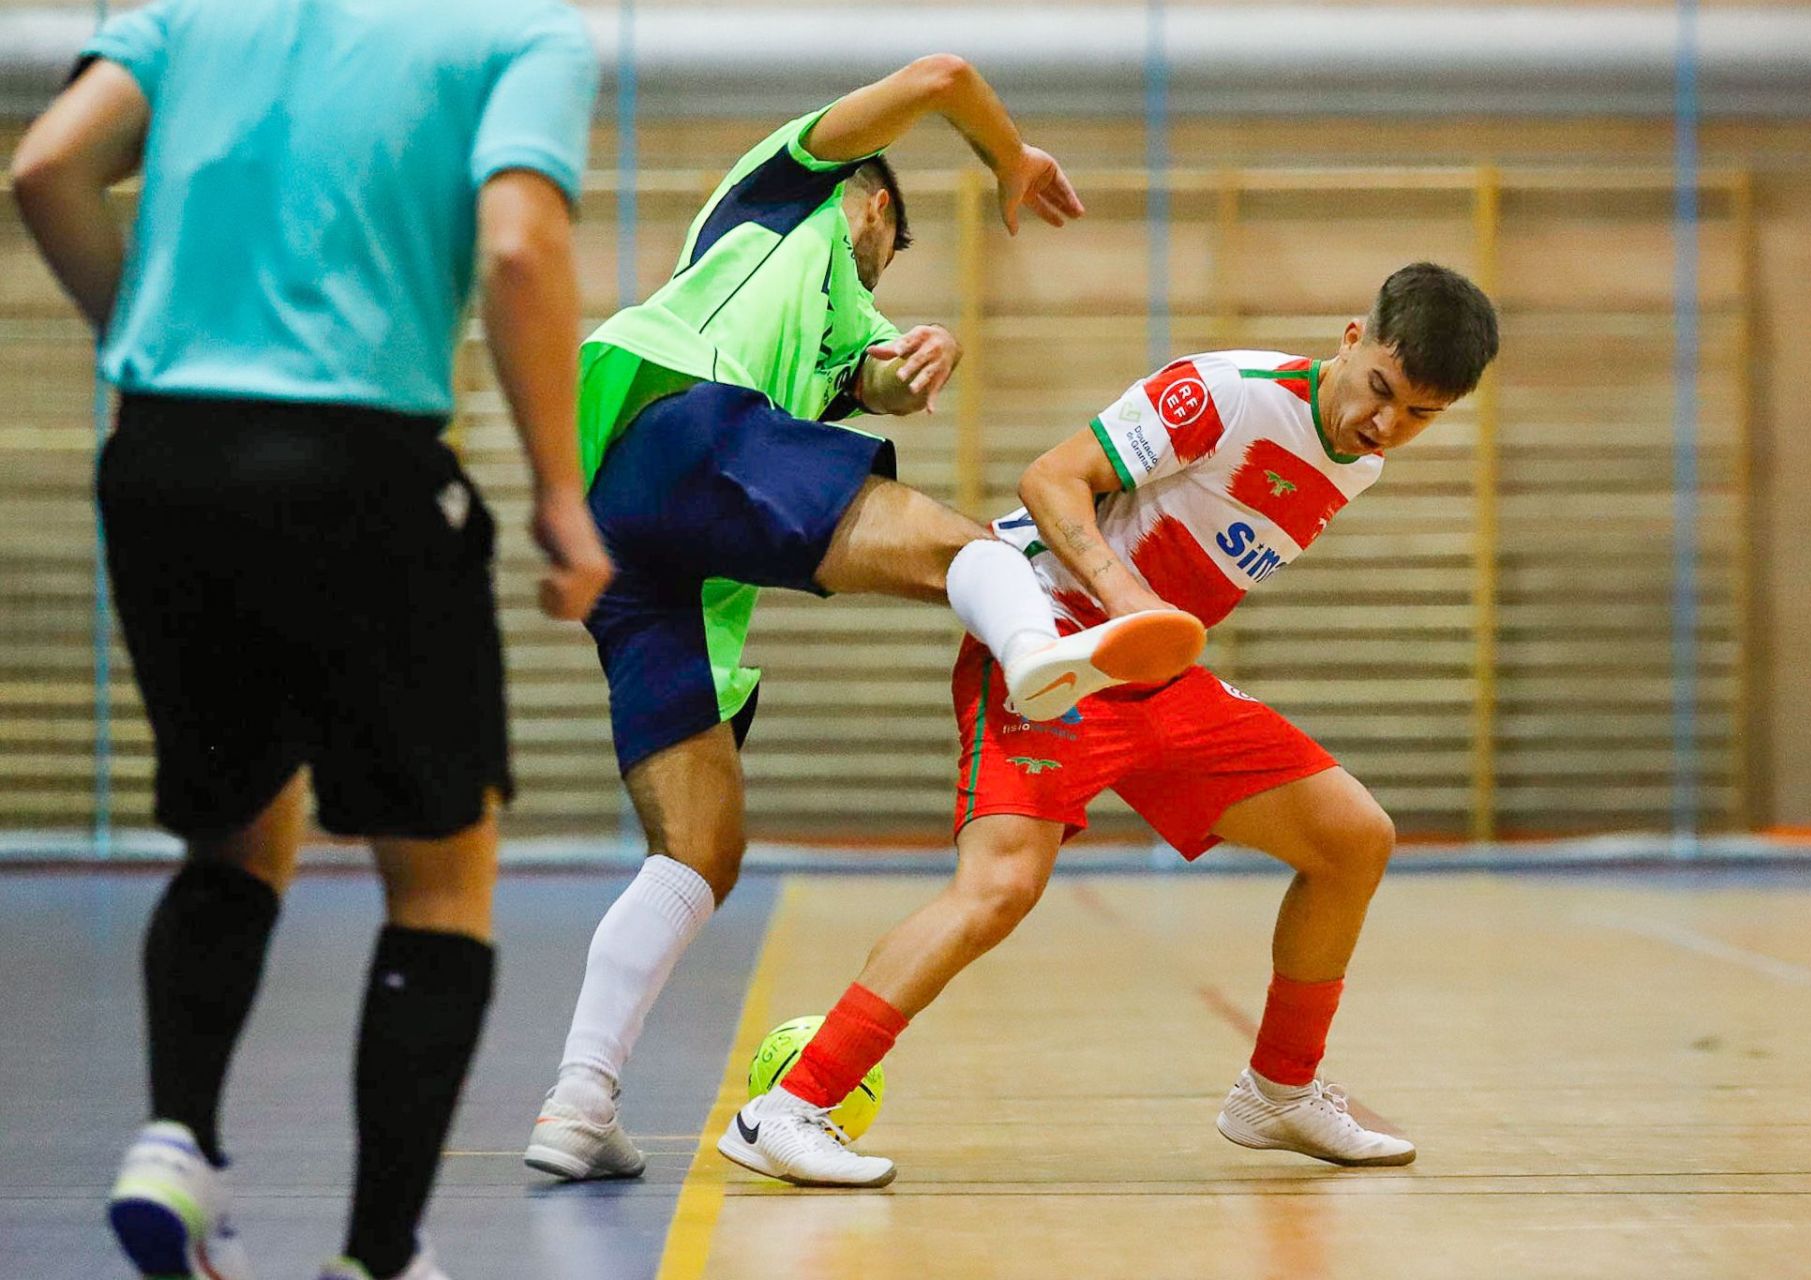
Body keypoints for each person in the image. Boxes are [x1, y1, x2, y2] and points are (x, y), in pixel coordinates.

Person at [523, 55, 1205, 1182]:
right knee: (973, 553)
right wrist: (1009, 155)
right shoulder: (784, 190)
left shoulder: (829, 334)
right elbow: (944, 73)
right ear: (875, 204)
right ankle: (1039, 653)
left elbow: (873, 381)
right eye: (891, 251)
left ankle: (576, 1104)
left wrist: (915, 360)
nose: (885, 269)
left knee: (699, 850)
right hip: (677, 421)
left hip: (636, 531)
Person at [8, 2, 610, 1276]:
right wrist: (563, 491)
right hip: (361, 467)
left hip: (164, 460)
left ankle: (175, 1139)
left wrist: (141, 336)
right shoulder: (516, 37)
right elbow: (516, 248)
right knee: (442, 878)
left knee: (234, 822)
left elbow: (47, 165)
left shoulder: (192, 16)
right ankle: (378, 1254)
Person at [718, 263, 1500, 1187]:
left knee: (1353, 839)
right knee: (1000, 887)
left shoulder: (1359, 461)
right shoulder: (1223, 395)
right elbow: (1051, 481)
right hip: (1048, 649)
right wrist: (1128, 603)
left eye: (1420, 416)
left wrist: (1152, 640)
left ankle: (1279, 1093)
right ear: (1349, 338)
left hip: (1159, 681)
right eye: (1382, 391)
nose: (1386, 426)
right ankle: (788, 1109)